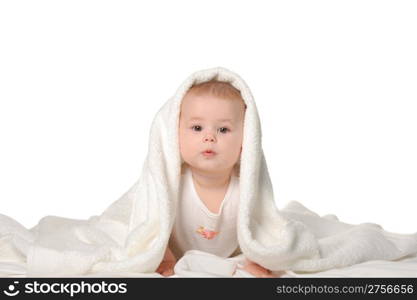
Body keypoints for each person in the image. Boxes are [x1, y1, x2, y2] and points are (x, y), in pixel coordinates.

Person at [155, 79, 274, 277]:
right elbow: (152, 223)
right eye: (197, 128)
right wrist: (165, 257)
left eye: (223, 129)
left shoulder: (247, 190)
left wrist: (258, 258)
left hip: (230, 258)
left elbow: (263, 227)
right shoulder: (170, 186)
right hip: (175, 256)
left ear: (246, 140)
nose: (209, 137)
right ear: (175, 135)